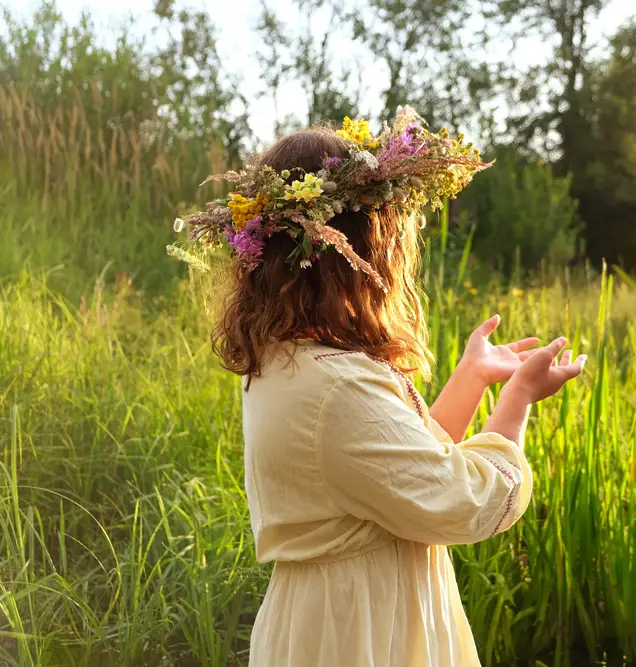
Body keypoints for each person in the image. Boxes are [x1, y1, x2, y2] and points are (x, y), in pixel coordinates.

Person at [170, 109, 586, 667]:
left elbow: (399, 469)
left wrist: (472, 378)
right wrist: (517, 401)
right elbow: (464, 502)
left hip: (334, 618)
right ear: (354, 253)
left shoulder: (291, 362)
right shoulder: (335, 386)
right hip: (361, 631)